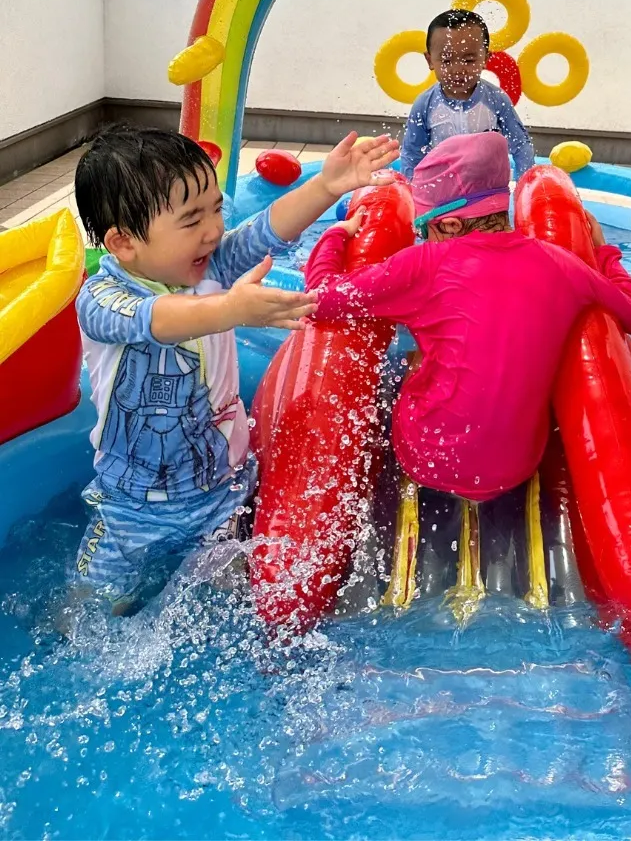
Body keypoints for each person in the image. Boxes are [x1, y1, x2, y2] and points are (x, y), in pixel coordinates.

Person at [72, 125, 399, 614]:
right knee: (88, 613)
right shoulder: (100, 300)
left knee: (237, 599)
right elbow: (157, 321)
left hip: (221, 492)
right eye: (191, 220)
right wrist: (232, 309)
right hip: (129, 510)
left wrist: (326, 186)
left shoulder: (209, 268)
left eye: (216, 208)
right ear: (123, 243)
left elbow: (266, 231)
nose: (214, 229)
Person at [304, 130, 631, 501]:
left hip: (429, 458)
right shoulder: (560, 262)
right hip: (517, 466)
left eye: (424, 229)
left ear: (450, 224)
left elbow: (319, 301)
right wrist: (604, 253)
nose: (423, 239)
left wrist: (335, 237)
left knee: (411, 357)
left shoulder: (427, 263)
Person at [399, 10, 535, 180]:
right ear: (430, 60)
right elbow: (412, 154)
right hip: (443, 188)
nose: (458, 70)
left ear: (485, 59)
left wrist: (524, 185)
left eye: (469, 60)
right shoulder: (425, 105)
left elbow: (521, 145)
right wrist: (411, 192)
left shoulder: (496, 99)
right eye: (447, 61)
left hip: (489, 189)